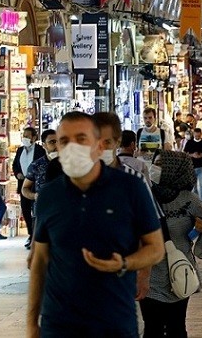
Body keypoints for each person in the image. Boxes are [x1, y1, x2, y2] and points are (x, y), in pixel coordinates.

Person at [27, 112, 164, 337]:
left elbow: (156, 248)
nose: (72, 147)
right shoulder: (49, 196)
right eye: (64, 141)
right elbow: (39, 261)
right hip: (59, 323)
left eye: (81, 139)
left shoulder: (131, 188)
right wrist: (32, 323)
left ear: (99, 146)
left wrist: (125, 264)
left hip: (113, 321)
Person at [141, 150, 202, 338]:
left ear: (173, 169)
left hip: (180, 271)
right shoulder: (144, 196)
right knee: (152, 328)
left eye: (160, 164)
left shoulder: (190, 200)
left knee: (176, 327)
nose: (154, 168)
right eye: (154, 163)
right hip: (149, 274)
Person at [13, 127, 45, 249]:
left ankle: (37, 236)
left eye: (27, 136)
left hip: (36, 186)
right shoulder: (20, 150)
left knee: (36, 212)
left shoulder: (40, 150)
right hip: (23, 186)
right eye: (24, 135)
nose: (25, 138)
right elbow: (15, 164)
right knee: (26, 210)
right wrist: (17, 174)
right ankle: (31, 235)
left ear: (34, 137)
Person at [183, 128, 202, 202]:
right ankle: (195, 201)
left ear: (201, 134)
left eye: (199, 136)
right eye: (196, 136)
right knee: (193, 186)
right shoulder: (189, 142)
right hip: (191, 167)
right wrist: (192, 155)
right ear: (194, 134)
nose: (197, 137)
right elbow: (184, 154)